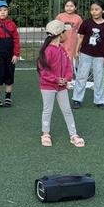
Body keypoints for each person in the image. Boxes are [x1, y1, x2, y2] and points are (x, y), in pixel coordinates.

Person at [37, 20, 84, 148]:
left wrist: (67, 78)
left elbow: (68, 66)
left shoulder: (62, 49)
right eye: (65, 31)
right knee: (48, 110)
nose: (67, 34)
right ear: (60, 34)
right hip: (48, 87)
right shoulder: (48, 51)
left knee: (67, 110)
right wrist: (57, 80)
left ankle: (73, 135)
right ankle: (45, 134)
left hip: (61, 87)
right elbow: (44, 72)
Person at [71, 0, 104, 110]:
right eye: (92, 10)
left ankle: (100, 100)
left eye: (96, 9)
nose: (94, 12)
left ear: (103, 10)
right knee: (81, 76)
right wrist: (76, 50)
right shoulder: (86, 23)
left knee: (99, 78)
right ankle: (77, 99)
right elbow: (80, 37)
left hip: (100, 56)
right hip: (85, 53)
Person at [56, 0, 82, 65]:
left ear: (75, 8)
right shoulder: (60, 16)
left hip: (72, 43)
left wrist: (78, 46)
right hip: (61, 42)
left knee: (69, 63)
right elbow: (55, 29)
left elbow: (80, 33)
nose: (69, 8)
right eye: (67, 6)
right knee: (60, 61)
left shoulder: (78, 18)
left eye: (71, 6)